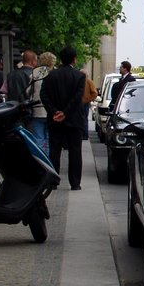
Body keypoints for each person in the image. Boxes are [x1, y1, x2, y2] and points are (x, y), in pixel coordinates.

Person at [41, 46, 86, 189]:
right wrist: (65, 112)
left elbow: (44, 95)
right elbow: (77, 97)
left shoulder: (50, 76)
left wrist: (55, 111)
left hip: (55, 120)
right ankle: (75, 183)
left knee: (54, 150)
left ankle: (53, 182)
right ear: (74, 59)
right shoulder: (79, 76)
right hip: (73, 119)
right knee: (75, 151)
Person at [28, 51, 56, 156]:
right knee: (49, 138)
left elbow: (28, 92)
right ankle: (48, 160)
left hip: (37, 109)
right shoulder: (55, 74)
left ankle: (41, 159)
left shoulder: (35, 74)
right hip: (51, 111)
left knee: (39, 138)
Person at [80, 69, 98, 141]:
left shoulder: (89, 82)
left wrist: (87, 100)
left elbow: (94, 93)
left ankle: (85, 134)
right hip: (79, 103)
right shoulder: (79, 81)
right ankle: (82, 134)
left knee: (84, 119)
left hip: (85, 103)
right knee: (82, 119)